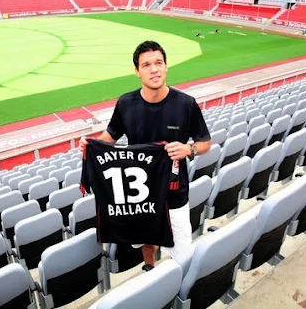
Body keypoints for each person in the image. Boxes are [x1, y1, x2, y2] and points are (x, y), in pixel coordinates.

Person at [79, 40, 211, 270]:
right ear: (137, 71)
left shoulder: (186, 104)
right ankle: (149, 266)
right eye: (147, 64)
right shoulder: (126, 103)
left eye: (158, 62)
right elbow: (111, 134)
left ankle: (180, 279)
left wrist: (188, 149)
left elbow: (205, 142)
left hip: (174, 191)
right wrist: (91, 145)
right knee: (145, 238)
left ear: (166, 66)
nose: (154, 69)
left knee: (181, 246)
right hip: (139, 191)